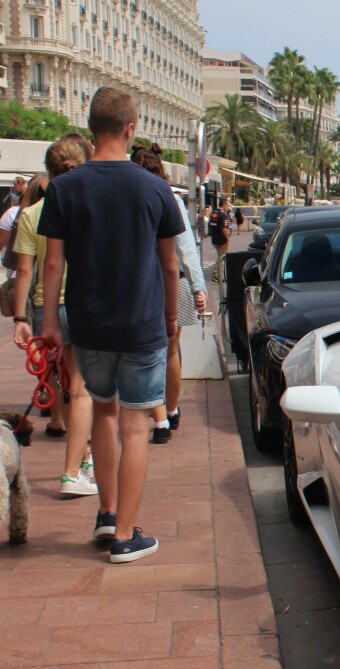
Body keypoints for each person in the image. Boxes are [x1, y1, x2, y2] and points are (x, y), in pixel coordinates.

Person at [38, 86, 185, 564]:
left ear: (90, 129)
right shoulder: (155, 188)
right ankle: (125, 535)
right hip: (141, 323)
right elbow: (169, 266)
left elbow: (52, 265)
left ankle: (104, 513)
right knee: (136, 426)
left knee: (102, 410)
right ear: (130, 128)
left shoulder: (63, 188)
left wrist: (49, 322)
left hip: (89, 322)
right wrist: (170, 318)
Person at [11, 139, 95, 497]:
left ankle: (84, 456)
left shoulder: (31, 214)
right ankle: (71, 471)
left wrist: (20, 317)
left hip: (45, 306)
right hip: (80, 301)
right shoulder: (87, 207)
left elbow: (25, 271)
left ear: (48, 172)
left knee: (61, 384)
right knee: (81, 390)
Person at [129, 143, 207, 444]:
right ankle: (171, 410)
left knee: (143, 353)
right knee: (171, 351)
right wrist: (199, 287)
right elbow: (185, 247)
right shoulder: (169, 198)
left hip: (138, 286)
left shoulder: (128, 197)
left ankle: (155, 409)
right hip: (174, 283)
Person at [208, 197, 232, 282]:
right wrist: (228, 238)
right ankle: (216, 274)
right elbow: (224, 228)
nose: (228, 206)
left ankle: (216, 274)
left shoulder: (213, 213)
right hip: (222, 239)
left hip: (215, 238)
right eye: (227, 204)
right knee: (221, 258)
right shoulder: (223, 215)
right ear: (224, 204)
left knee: (220, 256)